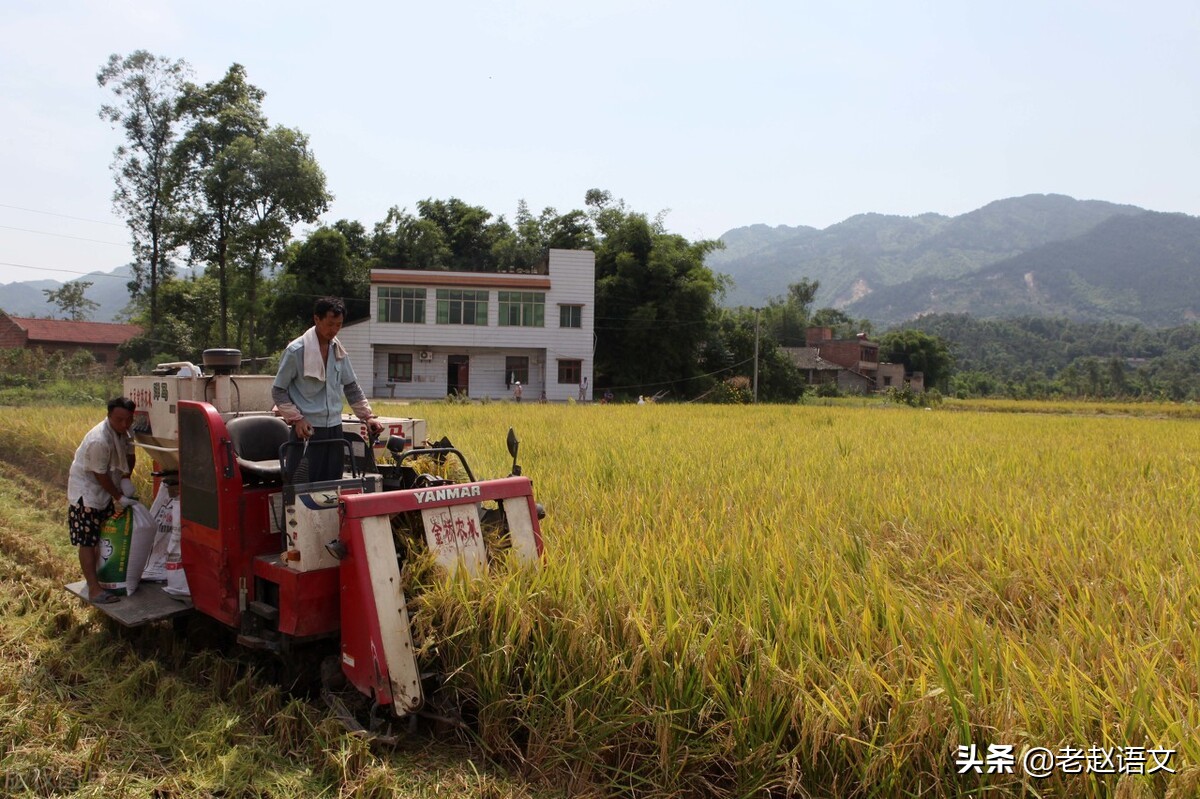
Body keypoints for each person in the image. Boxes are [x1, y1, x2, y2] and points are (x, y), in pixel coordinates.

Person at [273, 297, 384, 483]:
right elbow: (278, 391)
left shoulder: (338, 351)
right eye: (330, 324)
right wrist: (297, 419)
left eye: (339, 325)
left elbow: (351, 387)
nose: (334, 330)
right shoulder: (295, 351)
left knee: (333, 486)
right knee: (301, 488)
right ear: (317, 319)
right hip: (307, 431)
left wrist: (368, 417)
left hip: (334, 430)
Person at [67, 396, 137, 604]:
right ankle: (94, 589)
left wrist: (126, 477)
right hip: (86, 493)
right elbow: (100, 474)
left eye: (128, 420)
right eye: (119, 420)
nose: (124, 424)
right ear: (109, 416)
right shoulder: (99, 440)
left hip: (105, 491)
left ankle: (104, 579)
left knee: (102, 538)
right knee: (88, 541)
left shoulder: (125, 431)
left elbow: (130, 455)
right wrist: (119, 496)